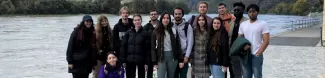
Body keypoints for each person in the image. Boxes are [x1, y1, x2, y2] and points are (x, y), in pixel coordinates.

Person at [238, 4, 270, 78]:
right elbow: (239, 39)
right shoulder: (243, 24)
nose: (252, 13)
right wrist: (243, 47)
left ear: (257, 12)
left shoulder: (263, 24)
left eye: (254, 11)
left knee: (257, 75)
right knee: (246, 75)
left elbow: (266, 41)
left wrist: (259, 53)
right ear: (247, 13)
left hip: (256, 54)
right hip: (246, 54)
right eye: (249, 12)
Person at [151, 12, 183, 78]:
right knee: (161, 76)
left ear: (170, 19)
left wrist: (181, 60)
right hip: (161, 57)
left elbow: (178, 46)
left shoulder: (173, 30)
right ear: (161, 19)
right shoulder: (156, 31)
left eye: (168, 18)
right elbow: (153, 48)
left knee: (171, 76)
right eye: (164, 18)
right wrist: (154, 62)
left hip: (172, 57)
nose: (166, 20)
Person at [228, 2, 248, 78]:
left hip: (244, 52)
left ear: (243, 10)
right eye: (235, 10)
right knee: (233, 73)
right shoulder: (231, 23)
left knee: (244, 73)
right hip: (233, 52)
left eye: (238, 10)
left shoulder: (247, 22)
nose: (236, 12)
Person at [172, 7, 194, 78]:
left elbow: (190, 42)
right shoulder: (170, 25)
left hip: (184, 55)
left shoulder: (188, 26)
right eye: (176, 14)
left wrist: (187, 56)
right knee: (174, 75)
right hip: (173, 55)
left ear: (182, 15)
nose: (177, 15)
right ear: (173, 15)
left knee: (183, 75)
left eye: (179, 14)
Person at [143, 9, 159, 78]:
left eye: (155, 14)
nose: (153, 15)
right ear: (149, 16)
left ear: (157, 15)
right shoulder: (145, 27)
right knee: (149, 72)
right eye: (152, 14)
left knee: (160, 71)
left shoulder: (161, 25)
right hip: (149, 52)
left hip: (160, 52)